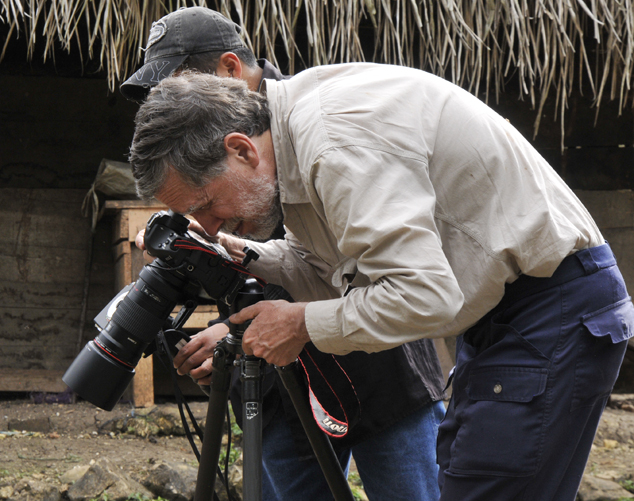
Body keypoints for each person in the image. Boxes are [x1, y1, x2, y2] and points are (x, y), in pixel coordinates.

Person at [127, 63, 634, 500]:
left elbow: (424, 295)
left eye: (205, 206)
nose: (210, 223)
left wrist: (300, 324)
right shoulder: (294, 144)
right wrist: (243, 254)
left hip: (551, 306)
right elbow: (329, 268)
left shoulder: (332, 142)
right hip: (504, 316)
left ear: (240, 150)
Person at [121, 7, 447, 501]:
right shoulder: (211, 159)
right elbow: (277, 262)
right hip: (276, 386)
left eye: (176, 91)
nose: (169, 109)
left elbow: (344, 269)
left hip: (379, 364)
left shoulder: (318, 133)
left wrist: (233, 330)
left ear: (230, 71)